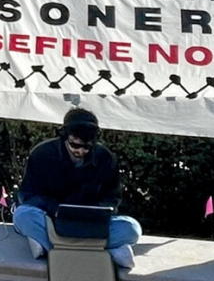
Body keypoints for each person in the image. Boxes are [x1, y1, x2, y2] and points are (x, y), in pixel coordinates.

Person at [13, 108, 141, 269]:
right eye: (75, 145)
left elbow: (112, 197)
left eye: (87, 147)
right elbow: (28, 195)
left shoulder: (105, 158)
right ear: (65, 137)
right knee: (22, 215)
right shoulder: (42, 154)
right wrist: (55, 209)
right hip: (52, 221)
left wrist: (97, 211)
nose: (81, 151)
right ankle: (101, 251)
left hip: (88, 225)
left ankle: (53, 249)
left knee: (131, 228)